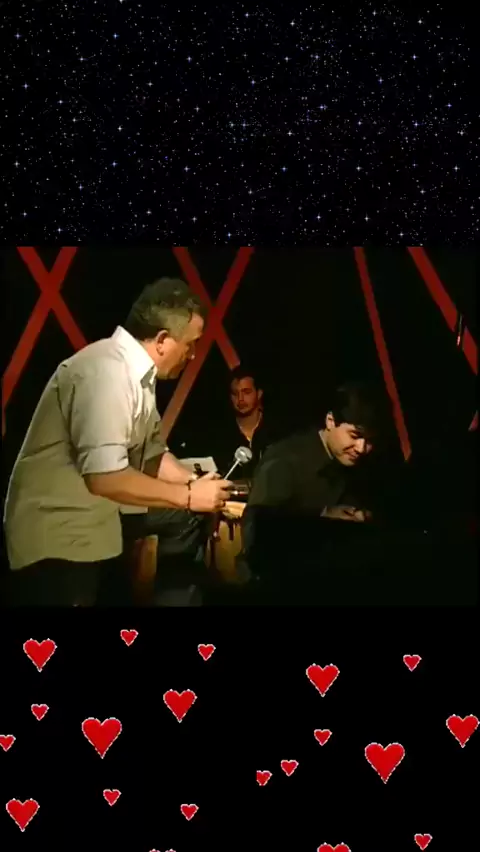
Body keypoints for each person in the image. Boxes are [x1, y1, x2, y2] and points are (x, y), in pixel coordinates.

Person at [3, 277, 233, 607]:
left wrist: (196, 484)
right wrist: (188, 496)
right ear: (163, 340)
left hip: (94, 529)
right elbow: (104, 477)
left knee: (184, 519)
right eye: (191, 344)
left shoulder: (137, 376)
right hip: (58, 541)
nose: (194, 355)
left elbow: (152, 454)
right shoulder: (106, 373)